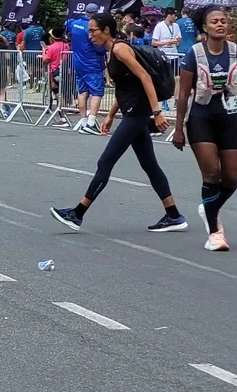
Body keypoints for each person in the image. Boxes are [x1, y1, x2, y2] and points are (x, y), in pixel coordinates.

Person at [50, 13, 185, 233]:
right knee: (150, 165)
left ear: (106, 30)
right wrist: (111, 114)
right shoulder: (111, 51)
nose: (90, 35)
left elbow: (145, 78)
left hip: (137, 114)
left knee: (105, 163)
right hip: (133, 111)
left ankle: (77, 214)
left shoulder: (120, 49)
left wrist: (157, 112)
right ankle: (174, 215)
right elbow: (125, 88)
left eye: (93, 30)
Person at [173, 6, 237, 251]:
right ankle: (214, 233)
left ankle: (208, 205)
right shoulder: (194, 53)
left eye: (223, 21)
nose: (220, 24)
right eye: (214, 21)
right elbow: (183, 94)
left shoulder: (234, 52)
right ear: (205, 28)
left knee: (232, 177)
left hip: (231, 117)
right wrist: (178, 128)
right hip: (201, 118)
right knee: (212, 174)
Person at [66, 4, 107, 135]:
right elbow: (98, 46)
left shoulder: (74, 24)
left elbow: (67, 25)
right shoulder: (91, 27)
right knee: (97, 92)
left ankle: (84, 122)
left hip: (78, 61)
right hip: (92, 63)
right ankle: (90, 123)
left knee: (82, 91)